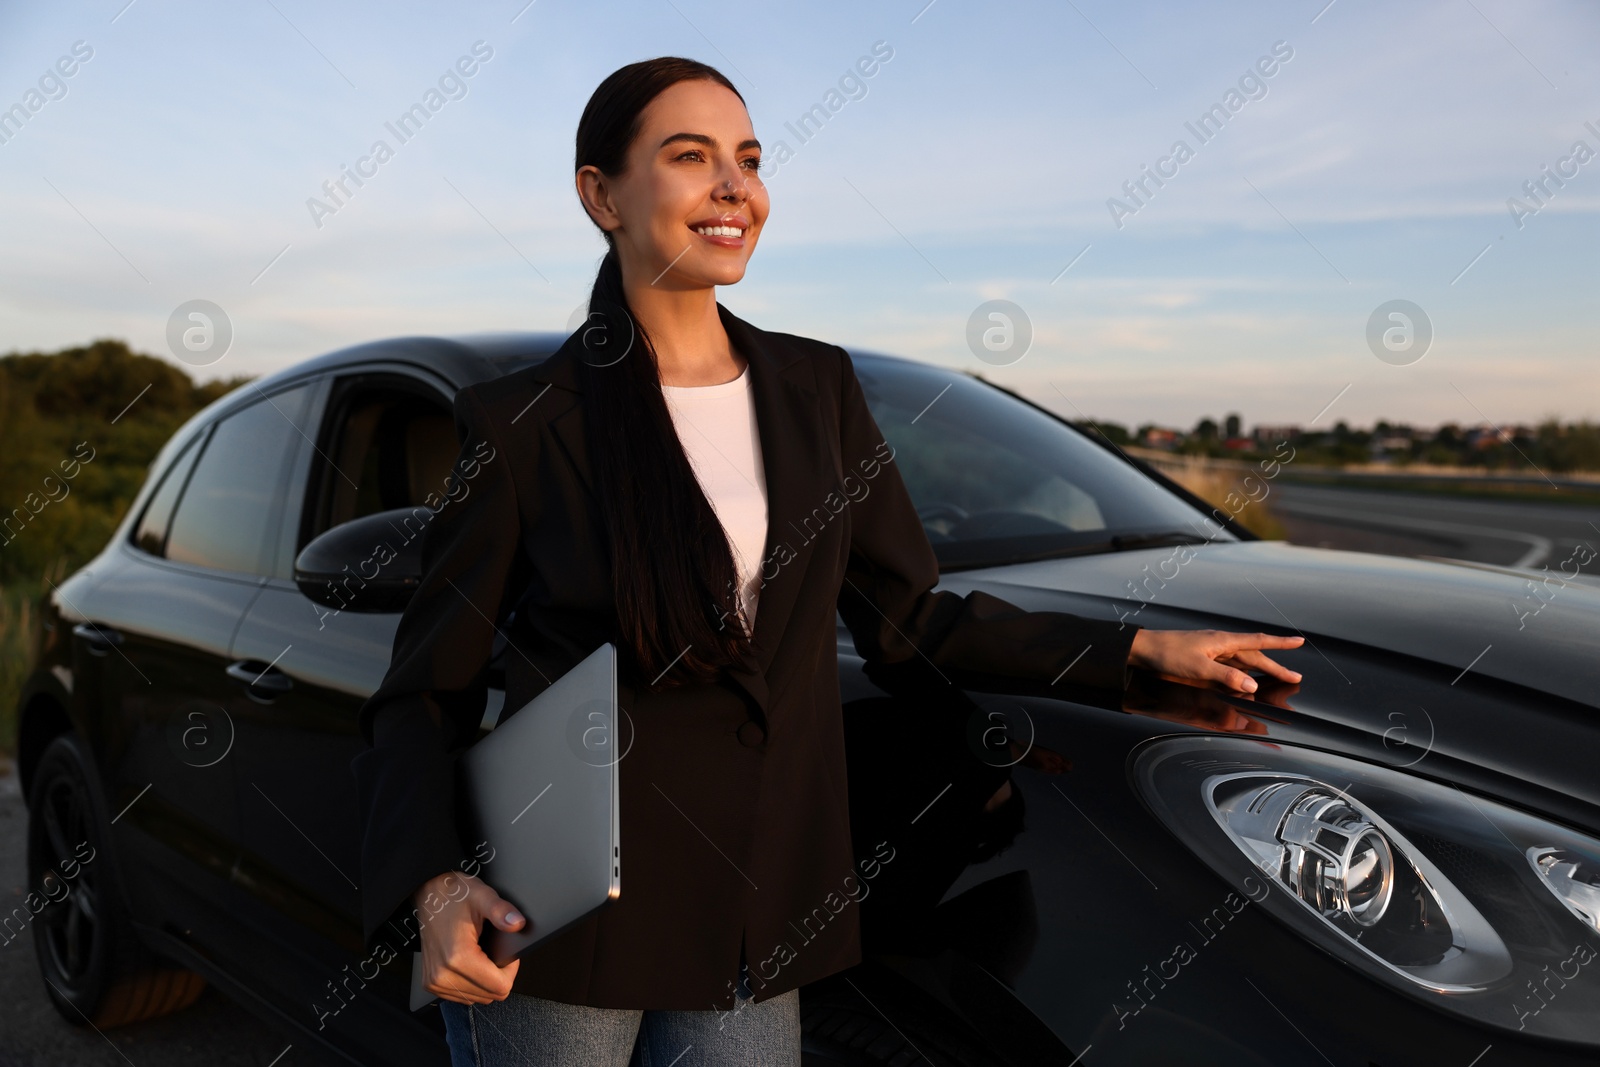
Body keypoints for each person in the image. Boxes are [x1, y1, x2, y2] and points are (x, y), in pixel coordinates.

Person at [351, 55, 1305, 1067]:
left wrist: (1137, 647)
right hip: (562, 912)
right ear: (601, 195)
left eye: (750, 159)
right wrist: (434, 882)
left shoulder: (817, 387)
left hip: (761, 911)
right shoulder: (521, 424)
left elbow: (913, 625)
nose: (735, 188)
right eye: (689, 156)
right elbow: (422, 694)